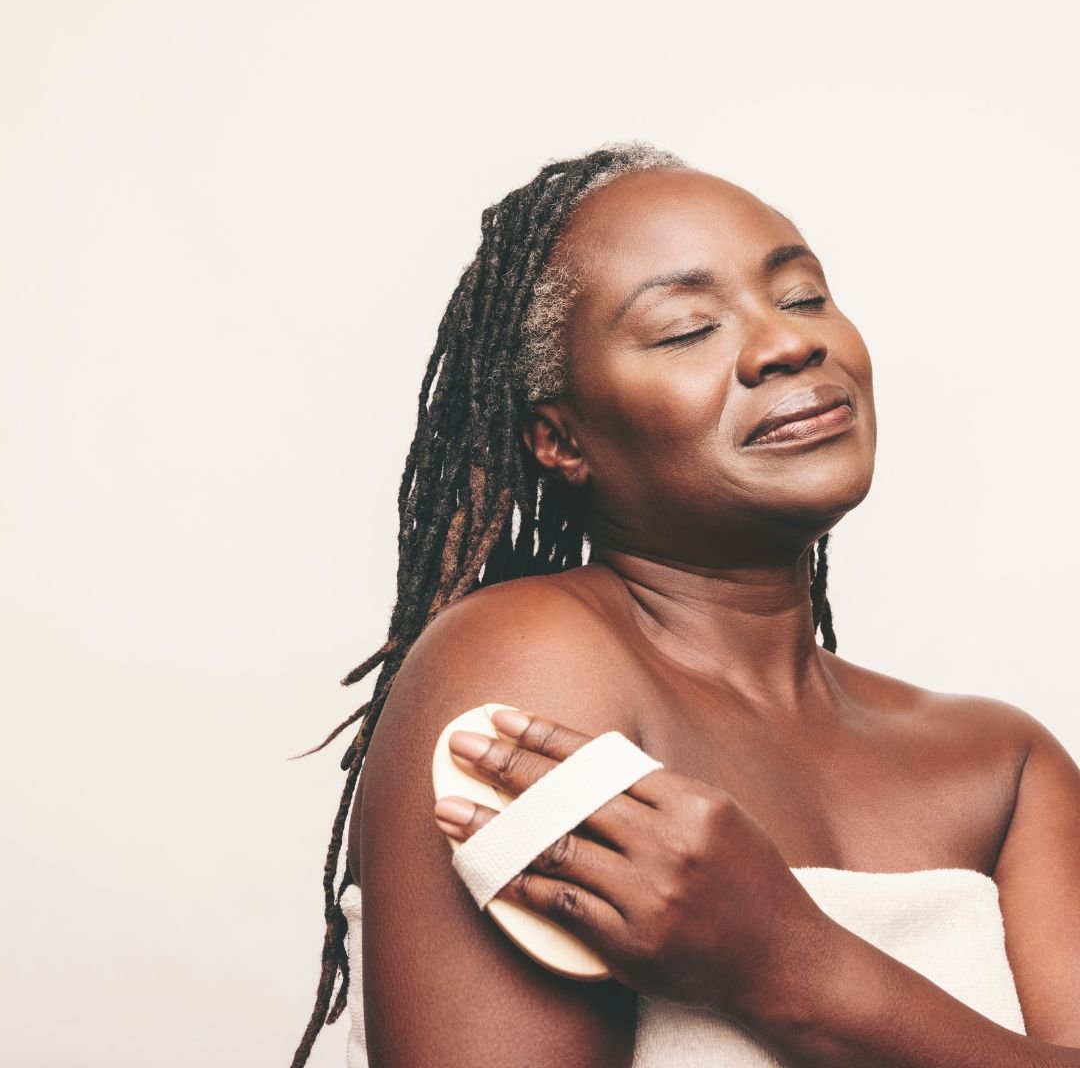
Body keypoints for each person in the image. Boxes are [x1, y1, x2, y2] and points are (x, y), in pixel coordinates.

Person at [290, 144, 1080, 1067]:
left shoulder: (1001, 763)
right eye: (684, 328)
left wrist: (790, 964)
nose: (792, 343)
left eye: (801, 297)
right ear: (560, 439)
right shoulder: (525, 663)